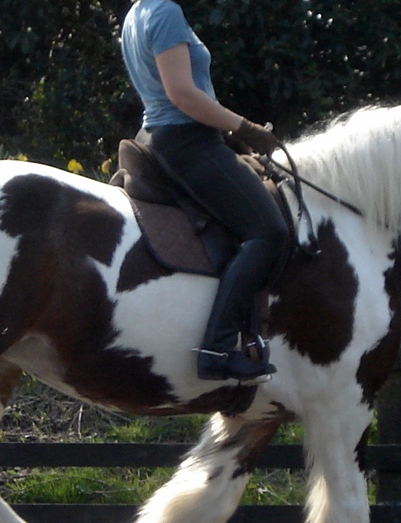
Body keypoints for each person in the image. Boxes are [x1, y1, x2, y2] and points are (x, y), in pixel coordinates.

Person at [121, 0, 290, 383]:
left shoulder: (137, 12)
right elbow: (182, 94)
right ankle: (217, 349)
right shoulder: (165, 12)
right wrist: (245, 128)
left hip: (167, 136)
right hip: (188, 141)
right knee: (268, 232)